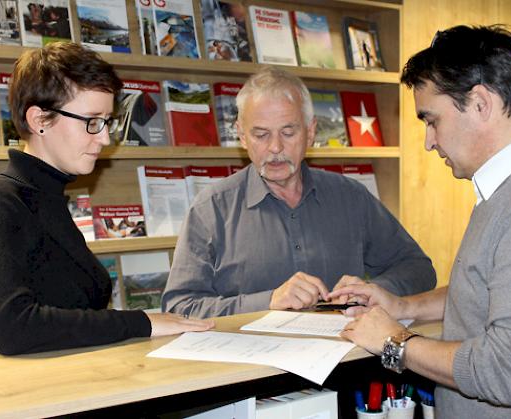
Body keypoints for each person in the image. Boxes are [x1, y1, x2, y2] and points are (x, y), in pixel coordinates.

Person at [330, 25, 511, 418]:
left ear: (481, 103)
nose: (430, 141)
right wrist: (402, 305)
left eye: (432, 120)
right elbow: (495, 291)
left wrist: (396, 342)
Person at [0, 42, 213, 356]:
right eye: (92, 121)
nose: (105, 138)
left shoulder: (49, 198)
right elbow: (13, 327)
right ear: (39, 119)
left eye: (107, 122)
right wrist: (140, 322)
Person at [162, 66, 436, 318]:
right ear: (242, 136)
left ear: (310, 131)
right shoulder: (210, 209)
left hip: (345, 363)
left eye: (288, 132)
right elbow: (179, 307)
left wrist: (373, 290)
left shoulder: (351, 197)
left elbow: (418, 269)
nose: (275, 147)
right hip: (252, 369)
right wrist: (267, 301)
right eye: (261, 135)